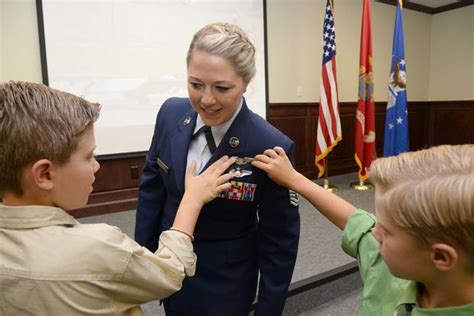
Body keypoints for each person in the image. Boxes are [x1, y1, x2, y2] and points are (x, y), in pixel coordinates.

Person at [0, 81, 236, 315]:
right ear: (45, 173)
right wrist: (192, 199)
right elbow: (170, 272)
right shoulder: (98, 248)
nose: (96, 166)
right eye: (88, 156)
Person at [135, 22, 300, 315]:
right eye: (195, 84)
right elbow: (152, 188)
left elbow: (280, 239)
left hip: (226, 283)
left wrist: (268, 309)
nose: (206, 99)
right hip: (170, 266)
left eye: (222, 88)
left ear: (246, 83)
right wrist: (145, 261)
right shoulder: (170, 113)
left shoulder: (270, 145)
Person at [252, 145, 474, 315]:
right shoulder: (394, 262)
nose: (375, 233)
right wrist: (295, 179)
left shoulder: (394, 266)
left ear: (440, 256)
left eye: (386, 231)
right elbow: (354, 220)